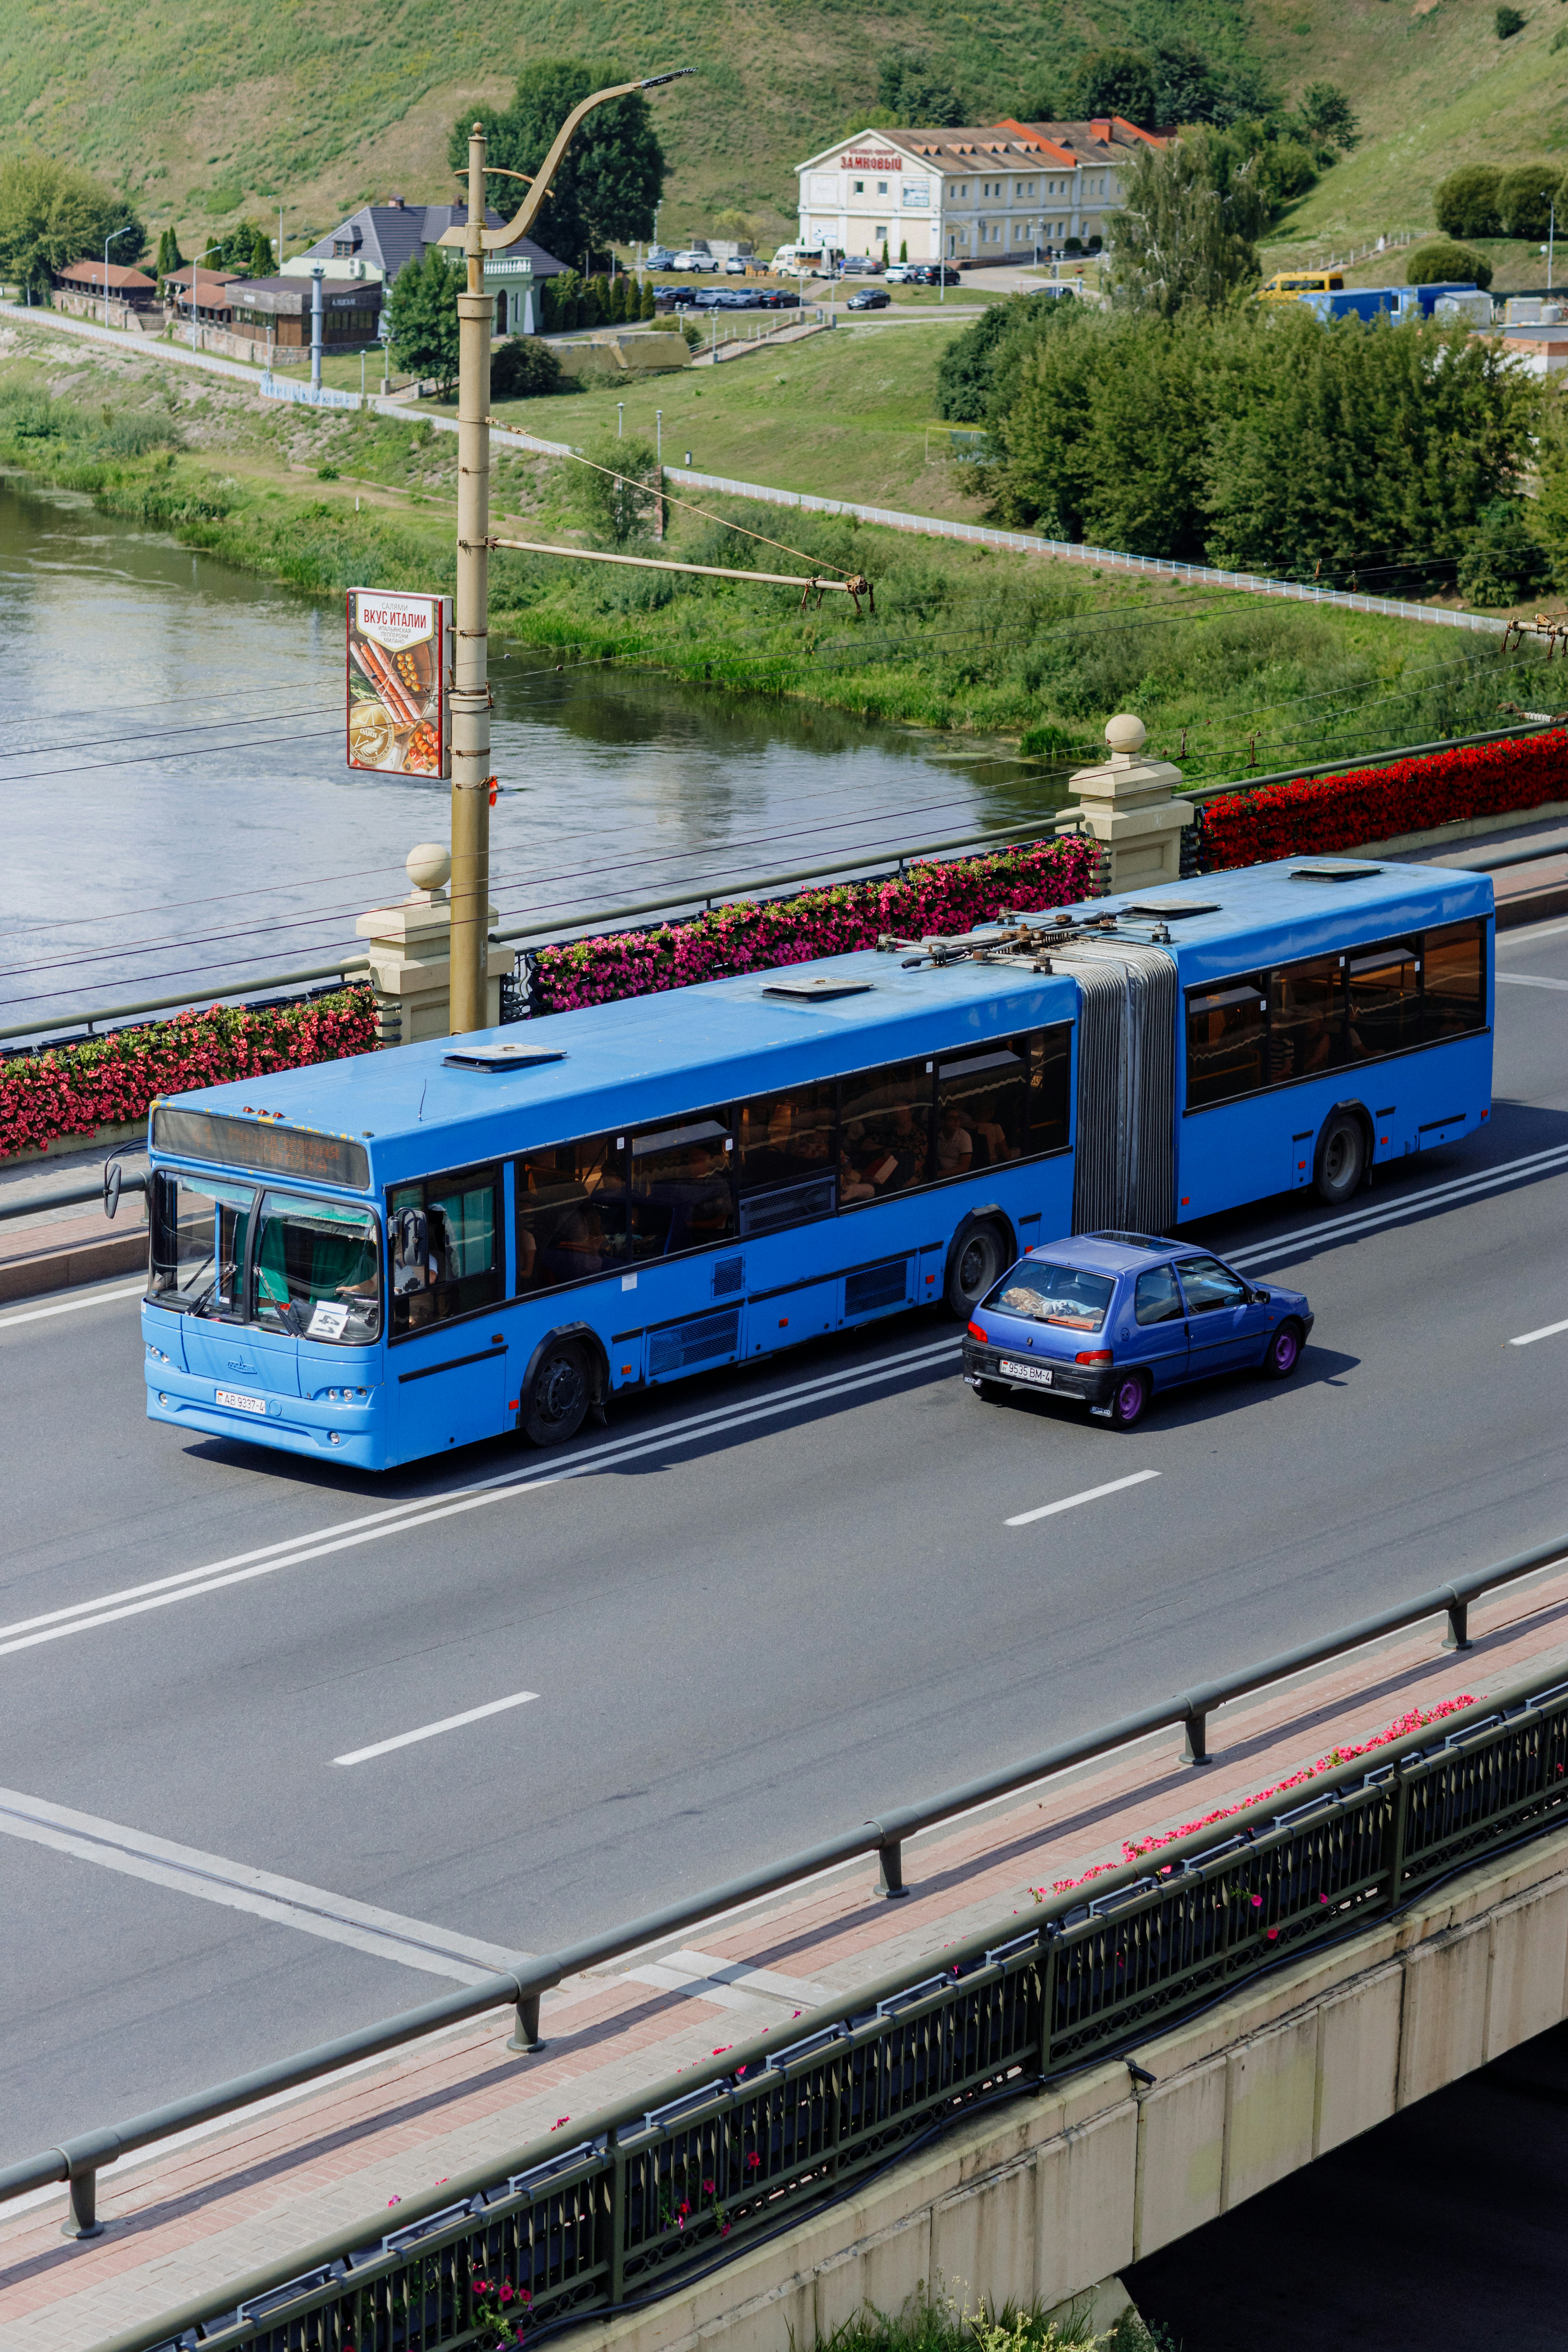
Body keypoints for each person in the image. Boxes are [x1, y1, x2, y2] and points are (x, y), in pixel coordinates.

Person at [936, 1101, 974, 1177]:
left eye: (958, 1119)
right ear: (943, 1122)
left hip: (956, 1177)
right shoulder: (937, 1136)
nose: (957, 1122)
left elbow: (964, 1167)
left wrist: (939, 1174)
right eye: (952, 1119)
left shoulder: (964, 1137)